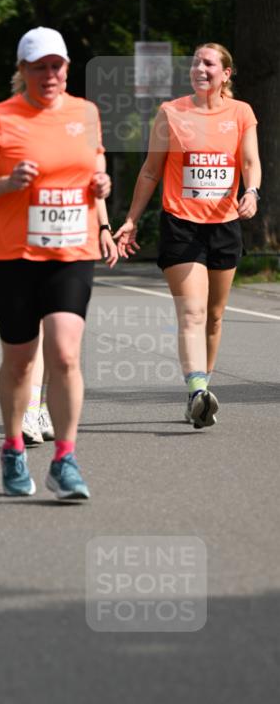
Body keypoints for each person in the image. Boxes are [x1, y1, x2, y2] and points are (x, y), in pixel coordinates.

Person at [0, 26, 120, 501]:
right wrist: (7, 182)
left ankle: (65, 459)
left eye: (57, 66)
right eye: (39, 67)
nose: (49, 75)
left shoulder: (86, 114)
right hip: (13, 255)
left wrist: (103, 195)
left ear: (67, 68)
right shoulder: (0, 118)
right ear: (23, 71)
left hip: (72, 249)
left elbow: (96, 171)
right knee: (20, 360)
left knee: (66, 353)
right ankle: (12, 448)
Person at [114, 43, 261, 429]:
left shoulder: (241, 112)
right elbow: (150, 172)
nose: (200, 68)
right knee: (193, 311)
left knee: (214, 317)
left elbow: (249, 163)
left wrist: (252, 192)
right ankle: (197, 390)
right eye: (195, 62)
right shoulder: (171, 113)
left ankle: (201, 395)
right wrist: (131, 220)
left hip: (225, 224)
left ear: (225, 74)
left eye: (208, 63)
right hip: (181, 223)